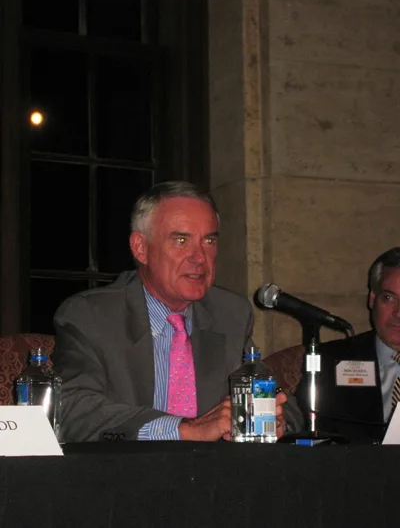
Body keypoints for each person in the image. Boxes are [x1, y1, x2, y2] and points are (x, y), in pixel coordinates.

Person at [52, 181, 303, 442]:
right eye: (181, 240)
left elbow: (284, 403)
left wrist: (274, 420)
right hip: (126, 465)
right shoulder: (91, 315)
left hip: (215, 467)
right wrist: (184, 429)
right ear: (140, 248)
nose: (199, 258)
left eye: (209, 241)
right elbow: (71, 409)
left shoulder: (229, 314)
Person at [295, 246, 400, 443]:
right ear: (372, 299)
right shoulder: (330, 360)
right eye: (389, 298)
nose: (399, 313)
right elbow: (302, 424)